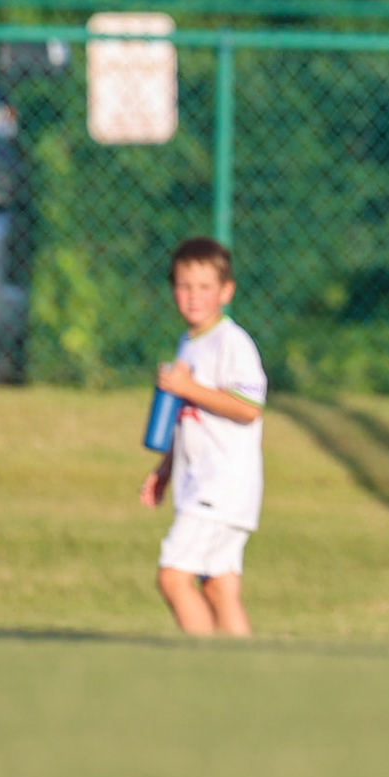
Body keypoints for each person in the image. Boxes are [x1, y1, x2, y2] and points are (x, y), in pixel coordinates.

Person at [140, 237, 267, 637]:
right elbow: (189, 419)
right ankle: (248, 677)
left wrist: (187, 388)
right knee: (219, 587)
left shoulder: (232, 342)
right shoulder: (189, 342)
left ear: (226, 291)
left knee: (173, 577)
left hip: (222, 486)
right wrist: (165, 468)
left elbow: (249, 408)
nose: (193, 297)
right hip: (206, 485)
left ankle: (207, 668)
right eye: (183, 286)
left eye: (204, 287)